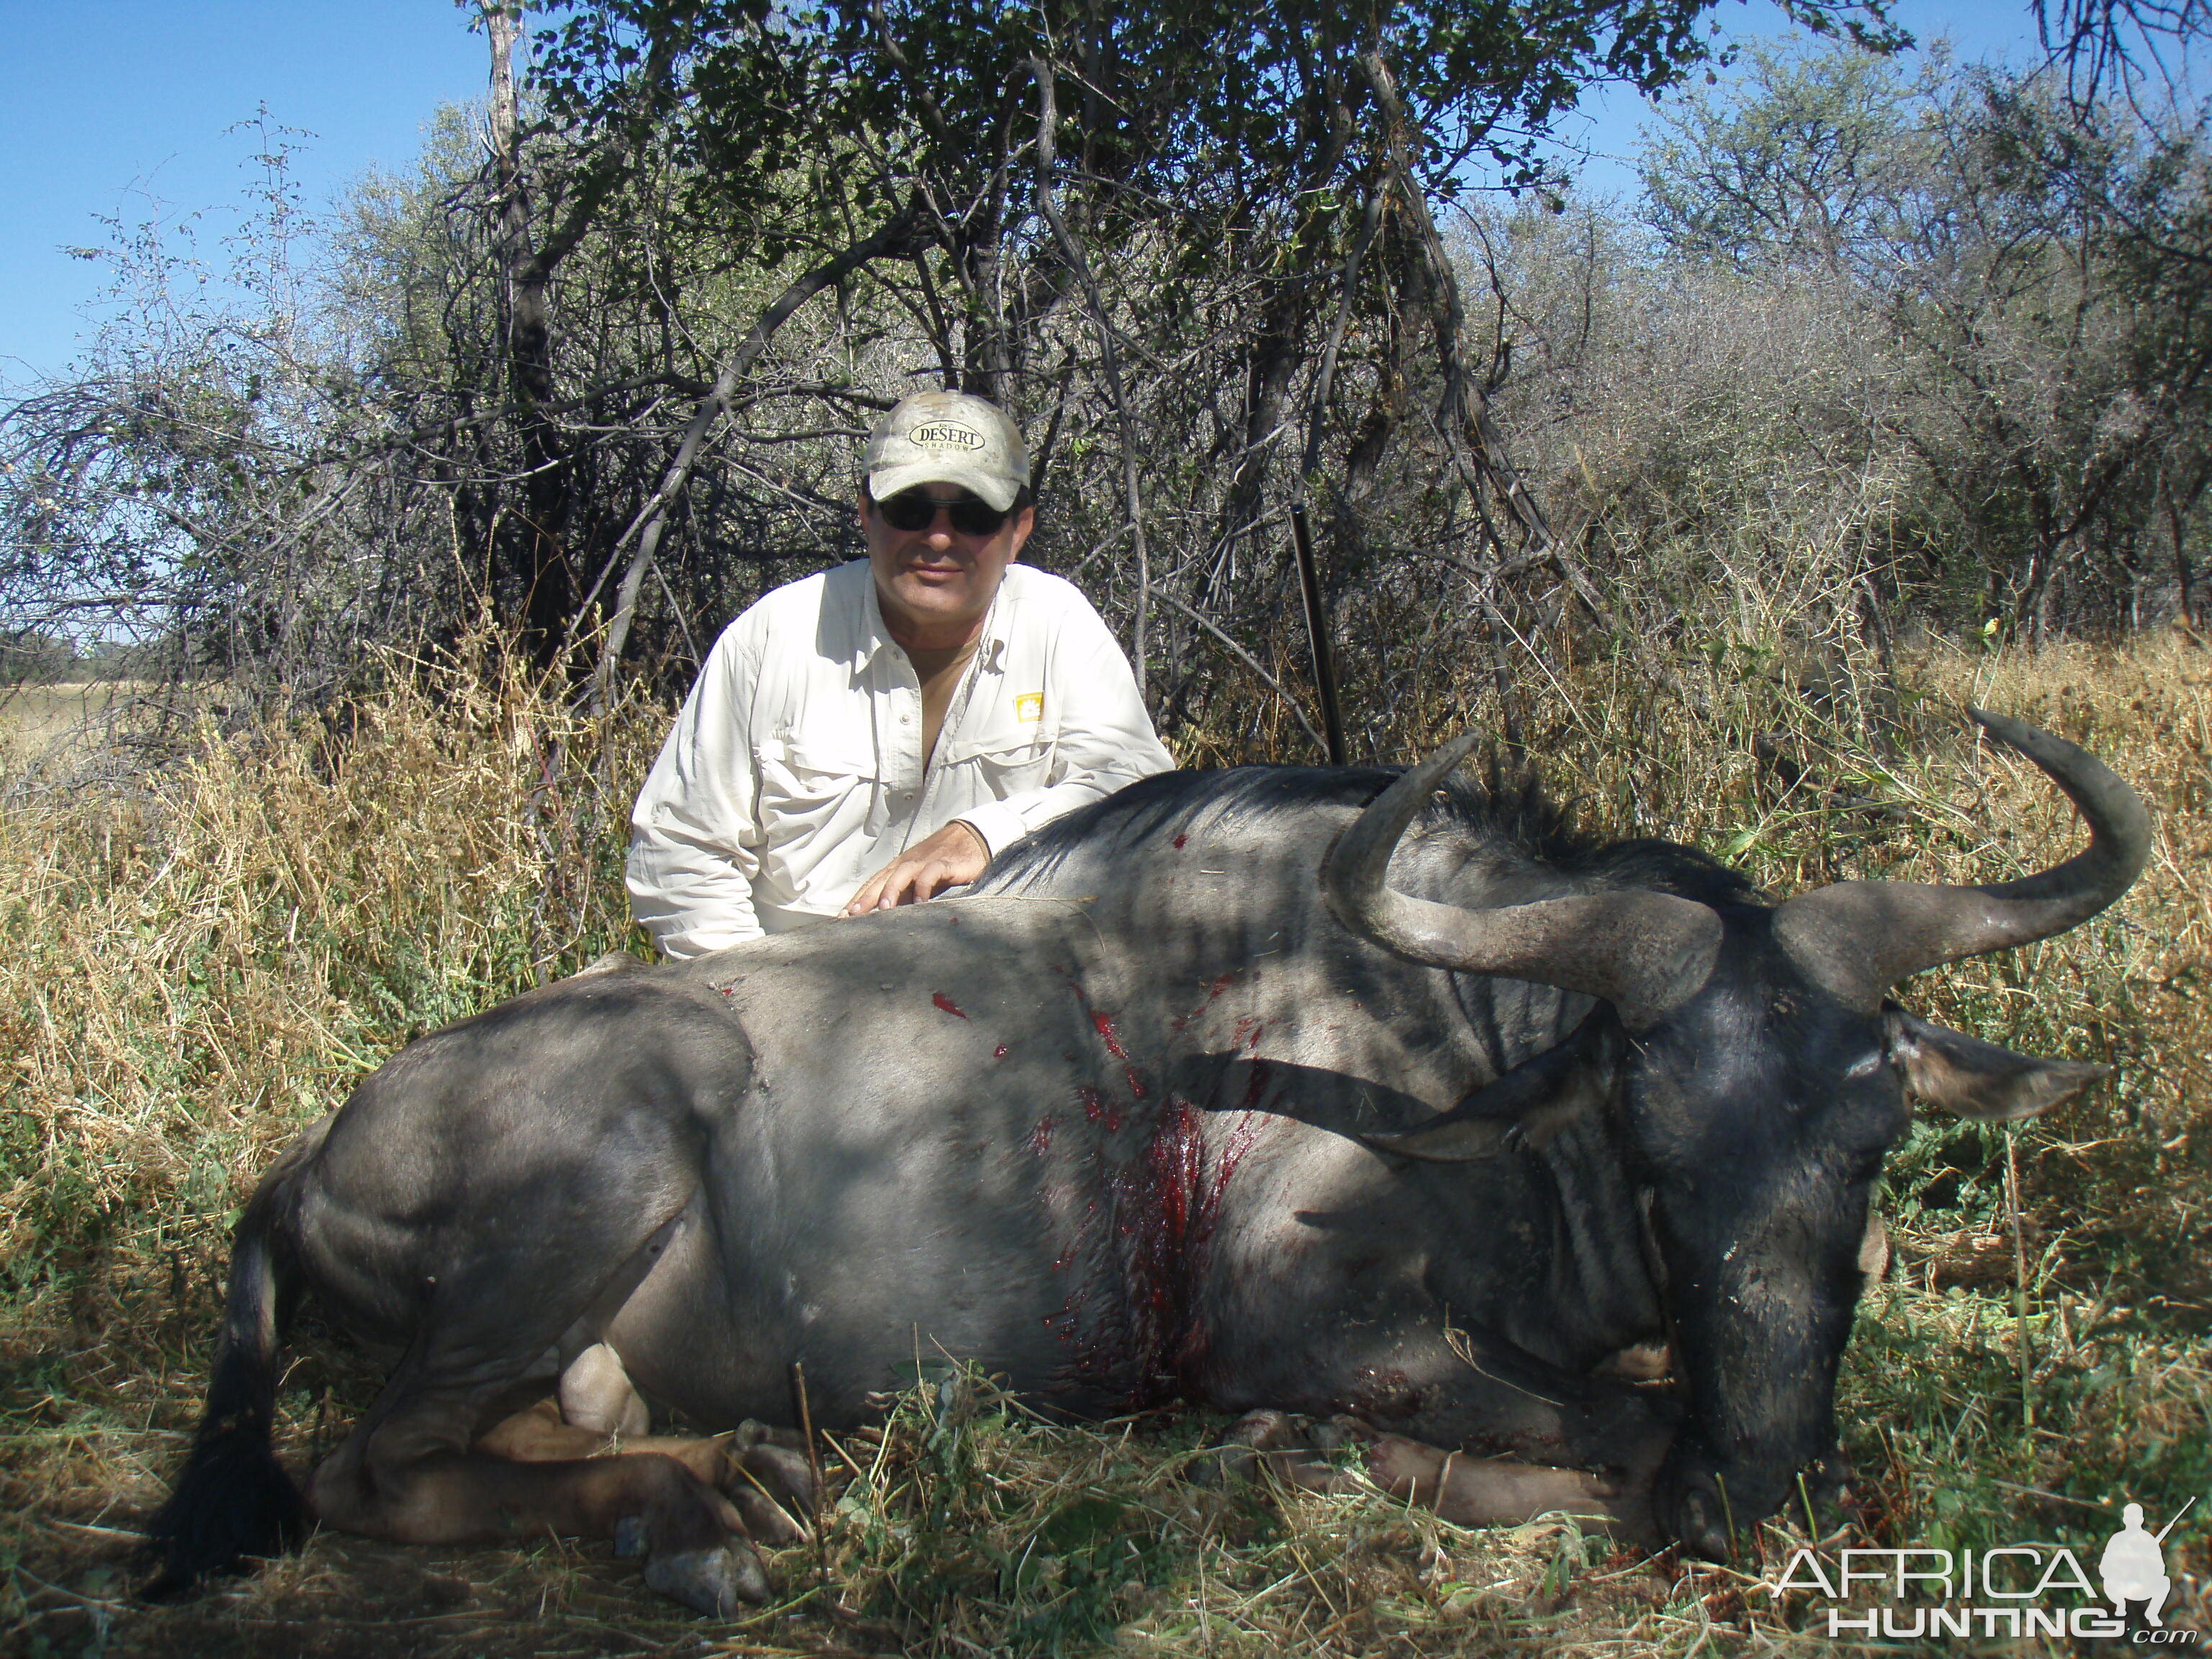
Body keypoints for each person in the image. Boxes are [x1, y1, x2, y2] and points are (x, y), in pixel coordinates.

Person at [626, 389, 1175, 960]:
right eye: (910, 508)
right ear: (866, 514)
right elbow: (680, 849)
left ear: (1019, 530)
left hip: (1001, 982)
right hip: (794, 982)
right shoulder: (771, 637)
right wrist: (753, 993)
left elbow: (1141, 794)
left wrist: (989, 834)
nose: (938, 538)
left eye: (974, 515)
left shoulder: (1058, 622)